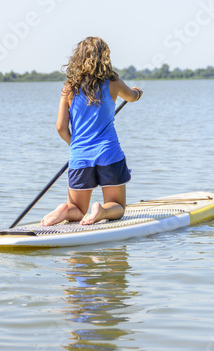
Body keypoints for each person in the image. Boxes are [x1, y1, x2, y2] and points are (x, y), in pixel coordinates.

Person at [41, 37, 143, 227]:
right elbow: (131, 97)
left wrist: (77, 146)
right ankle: (102, 210)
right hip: (109, 154)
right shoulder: (113, 82)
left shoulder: (69, 88)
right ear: (105, 57)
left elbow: (60, 127)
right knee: (118, 206)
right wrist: (137, 92)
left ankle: (64, 210)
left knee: (77, 210)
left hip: (80, 155)